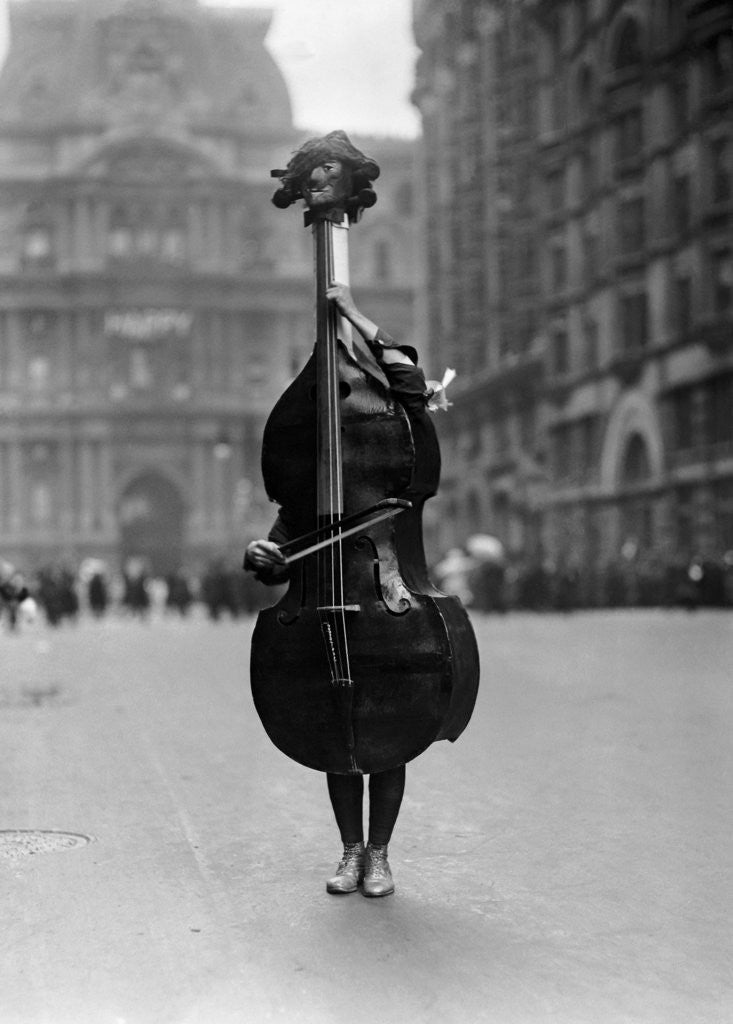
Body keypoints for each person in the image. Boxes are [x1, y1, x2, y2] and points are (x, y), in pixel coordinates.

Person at [245, 281, 441, 898]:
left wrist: (354, 316)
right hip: (322, 610)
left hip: (387, 604)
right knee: (334, 734)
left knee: (391, 734)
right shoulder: (304, 484)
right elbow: (278, 558)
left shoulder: (397, 431)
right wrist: (265, 556)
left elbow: (411, 386)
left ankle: (380, 853)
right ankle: (350, 849)